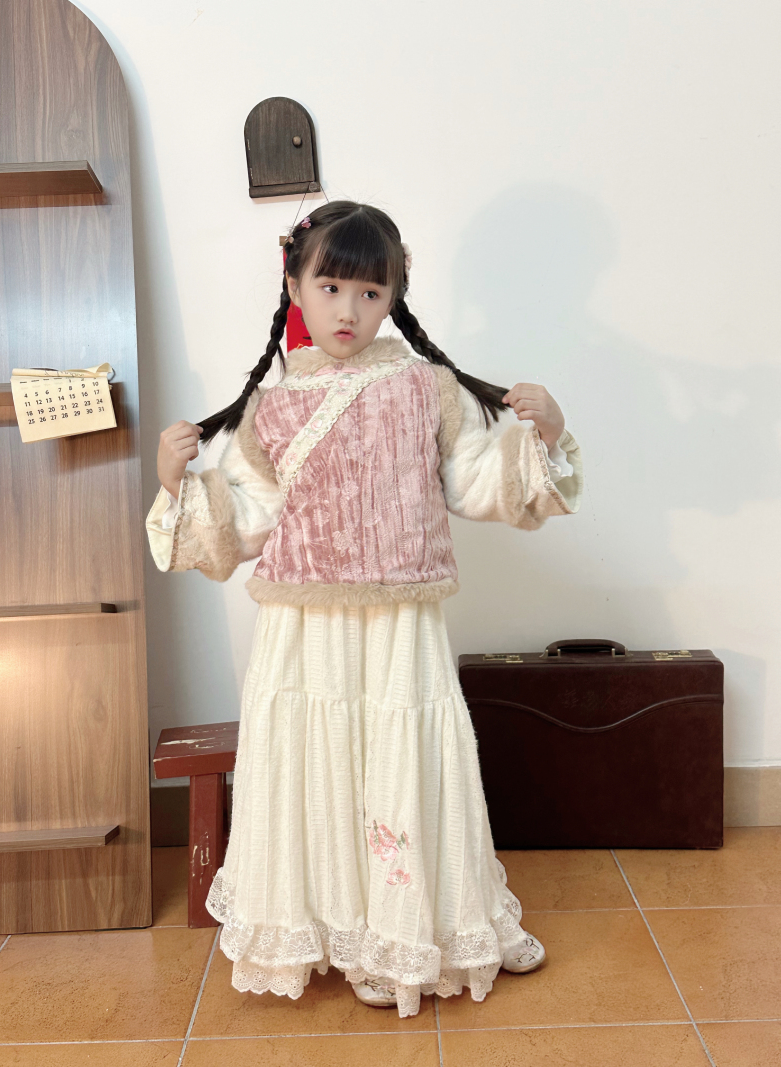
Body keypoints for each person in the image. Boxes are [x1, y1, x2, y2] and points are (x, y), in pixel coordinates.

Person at [145, 200, 583, 1018]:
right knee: (320, 768)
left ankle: (435, 925)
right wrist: (179, 483)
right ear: (295, 285)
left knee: (404, 759)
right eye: (331, 286)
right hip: (304, 626)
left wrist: (543, 437)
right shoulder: (271, 409)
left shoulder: (425, 388)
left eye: (371, 292)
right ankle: (350, 934)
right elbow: (246, 521)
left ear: (395, 296)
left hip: (399, 621)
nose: (349, 309)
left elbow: (475, 482)